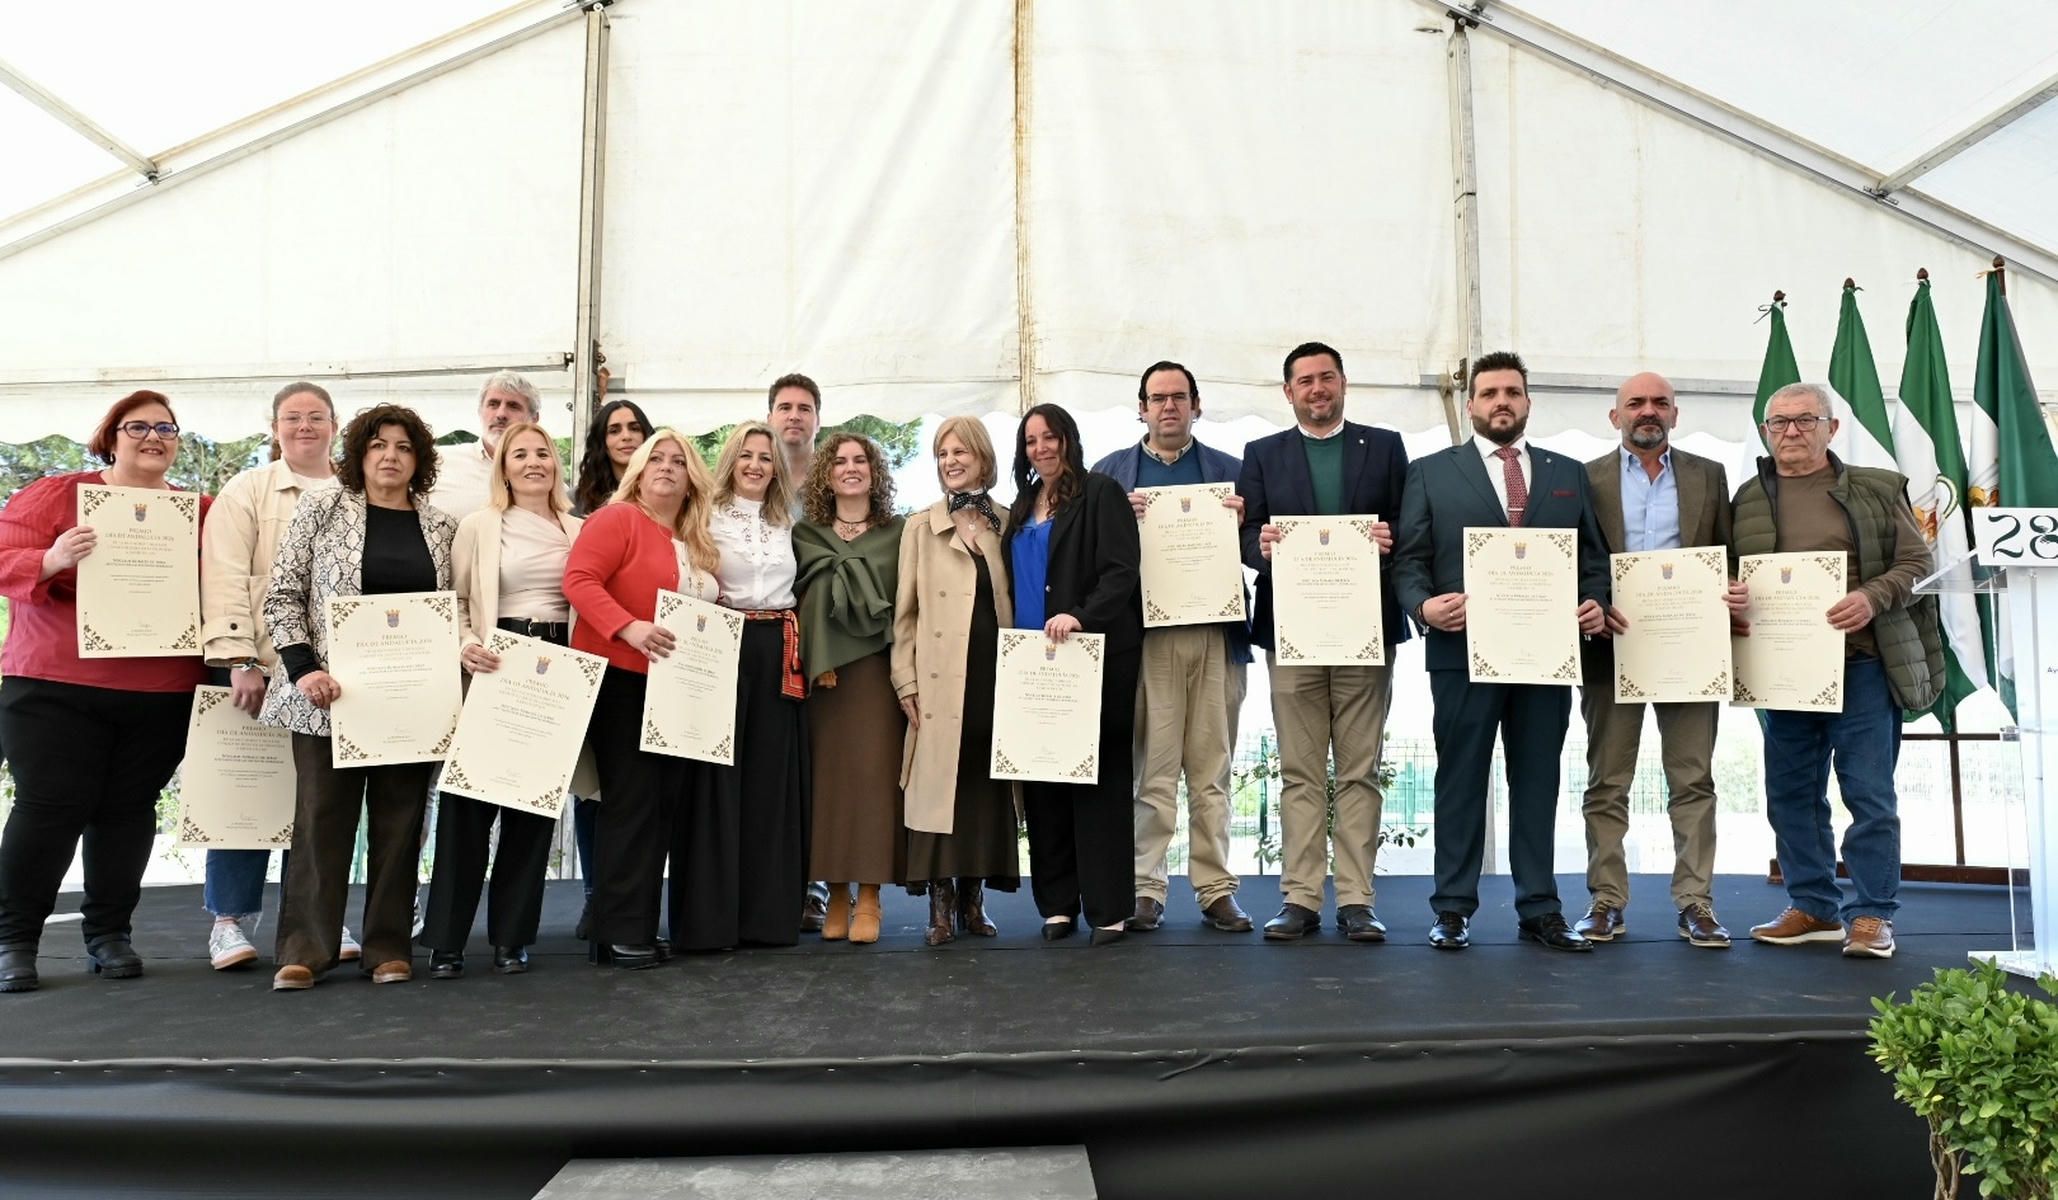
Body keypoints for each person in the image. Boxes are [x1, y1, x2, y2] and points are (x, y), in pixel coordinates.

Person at [1393, 350, 1612, 953]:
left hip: (1546, 657)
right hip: (1462, 654)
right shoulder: (1432, 472)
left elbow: (1593, 560)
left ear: (1528, 403)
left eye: (1512, 392)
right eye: (1489, 393)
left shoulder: (1568, 472)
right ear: (1470, 405)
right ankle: (1453, 908)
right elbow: (1408, 560)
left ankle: (1540, 908)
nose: (1501, 403)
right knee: (1460, 779)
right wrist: (1424, 607)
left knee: (1538, 782)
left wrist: (1594, 602)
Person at [0, 391, 211, 994]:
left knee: (127, 812)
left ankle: (110, 934)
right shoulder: (55, 495)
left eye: (166, 427)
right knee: (48, 809)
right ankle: (14, 940)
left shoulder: (201, 511)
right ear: (110, 437)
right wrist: (50, 558)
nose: (153, 437)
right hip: (53, 685)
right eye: (137, 426)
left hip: (159, 687)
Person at [1736, 382, 1941, 959]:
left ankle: (1873, 914)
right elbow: (1733, 570)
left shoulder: (1877, 488)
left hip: (1865, 667)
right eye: (1779, 423)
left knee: (1869, 794)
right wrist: (1730, 594)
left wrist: (1872, 598)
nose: (1791, 432)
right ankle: (1814, 907)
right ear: (1765, 433)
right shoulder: (1748, 497)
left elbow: (1916, 562)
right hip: (1784, 672)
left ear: (1832, 428)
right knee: (1790, 794)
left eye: (1805, 420)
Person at [263, 404, 458, 989]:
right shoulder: (320, 508)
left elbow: (449, 613)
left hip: (407, 701)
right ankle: (305, 951)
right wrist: (303, 669)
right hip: (326, 697)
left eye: (403, 447)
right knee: (321, 821)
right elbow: (284, 592)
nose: (390, 456)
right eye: (378, 445)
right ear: (359, 455)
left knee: (401, 825)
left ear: (419, 459)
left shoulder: (442, 526)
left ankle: (388, 948)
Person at [1238, 342, 1410, 942]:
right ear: (1289, 392)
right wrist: (1257, 546)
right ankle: (1301, 898)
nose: (1317, 389)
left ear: (1343, 383)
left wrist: (1389, 540)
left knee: (1361, 770)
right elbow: (1246, 535)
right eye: (1305, 381)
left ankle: (1357, 900)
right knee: (1300, 771)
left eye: (1327, 378)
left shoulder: (1385, 447)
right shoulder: (1261, 454)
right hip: (1292, 634)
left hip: (1366, 630)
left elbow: (1407, 529)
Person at [1575, 372, 1740, 949]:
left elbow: (1727, 554)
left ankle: (1696, 902)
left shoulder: (1709, 476)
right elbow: (1577, 559)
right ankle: (1606, 901)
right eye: (1636, 403)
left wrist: (1735, 591)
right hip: (1608, 647)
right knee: (1607, 782)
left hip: (1689, 648)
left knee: (1693, 779)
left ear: (1676, 413)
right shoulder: (1585, 478)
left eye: (1660, 403)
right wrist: (1592, 603)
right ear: (1615, 415)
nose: (1649, 411)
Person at [197, 382, 355, 970]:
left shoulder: (356, 491)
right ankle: (228, 923)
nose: (305, 427)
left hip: (331, 678)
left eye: (316, 417)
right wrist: (239, 658)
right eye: (293, 418)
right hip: (260, 669)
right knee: (246, 796)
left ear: (335, 425)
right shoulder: (248, 490)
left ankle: (319, 922)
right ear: (275, 427)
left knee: (320, 806)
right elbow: (224, 575)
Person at [1093, 361, 1255, 934]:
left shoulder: (1234, 474)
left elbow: (1265, 552)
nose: (1168, 407)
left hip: (1217, 634)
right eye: (1157, 398)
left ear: (1196, 405)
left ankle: (1215, 888)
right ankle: (1145, 886)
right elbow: (1093, 559)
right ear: (1141, 408)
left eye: (1179, 397)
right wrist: (1121, 524)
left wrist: (1246, 526)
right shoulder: (1111, 474)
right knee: (1154, 771)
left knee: (1211, 769)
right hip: (1148, 637)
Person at [419, 424, 583, 978]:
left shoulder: (578, 529)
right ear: (503, 466)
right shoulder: (480, 525)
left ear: (556, 465)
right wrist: (466, 644)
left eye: (543, 453)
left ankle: (513, 939)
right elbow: (456, 600)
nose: (533, 462)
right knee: (468, 809)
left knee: (533, 810)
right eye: (520, 454)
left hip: (558, 666)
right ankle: (446, 941)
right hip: (495, 664)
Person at [562, 430, 722, 969]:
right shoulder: (616, 518)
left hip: (680, 689)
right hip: (623, 680)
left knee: (661, 809)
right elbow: (579, 581)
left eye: (680, 461)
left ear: (692, 477)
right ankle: (617, 930)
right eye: (657, 458)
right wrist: (628, 628)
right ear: (637, 469)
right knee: (630, 804)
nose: (668, 468)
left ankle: (634, 923)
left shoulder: (697, 540)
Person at [1006, 404, 1143, 947]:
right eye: (1031, 440)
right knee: (1043, 787)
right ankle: (1057, 903)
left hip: (1089, 659)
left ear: (1068, 439)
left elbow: (1121, 572)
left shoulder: (1101, 493)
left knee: (1097, 782)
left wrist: (1080, 615)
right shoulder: (1021, 507)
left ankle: (1108, 908)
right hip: (1031, 666)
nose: (1041, 448)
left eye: (1050, 437)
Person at [675, 421, 810, 950]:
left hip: (778, 647)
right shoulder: (702, 517)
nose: (756, 465)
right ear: (730, 460)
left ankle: (767, 920)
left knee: (768, 783)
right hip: (720, 642)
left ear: (778, 465)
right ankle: (710, 923)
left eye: (766, 457)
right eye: (747, 455)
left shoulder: (790, 520)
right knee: (714, 781)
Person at [892, 417, 1022, 945]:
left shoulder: (1009, 523)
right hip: (940, 676)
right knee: (939, 783)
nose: (951, 461)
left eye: (961, 451)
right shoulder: (920, 526)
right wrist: (905, 680)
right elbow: (904, 613)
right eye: (942, 453)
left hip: (996, 674)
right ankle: (940, 907)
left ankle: (974, 899)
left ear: (983, 458)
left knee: (984, 786)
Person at [793, 433, 907, 943]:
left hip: (879, 677)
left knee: (876, 785)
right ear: (826, 473)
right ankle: (835, 893)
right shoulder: (805, 534)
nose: (851, 467)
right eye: (839, 461)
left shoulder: (900, 532)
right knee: (829, 788)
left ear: (875, 471)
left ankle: (871, 897)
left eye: (861, 460)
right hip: (823, 679)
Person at [567, 397, 653, 936]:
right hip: (593, 657)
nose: (625, 437)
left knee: (636, 789)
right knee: (593, 786)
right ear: (602, 442)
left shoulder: (672, 504)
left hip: (655, 665)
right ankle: (597, 894)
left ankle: (624, 901)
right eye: (614, 430)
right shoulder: (580, 511)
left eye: (634, 428)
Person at [766, 372, 834, 933]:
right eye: (785, 406)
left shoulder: (831, 483)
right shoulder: (750, 477)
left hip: (823, 635)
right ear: (770, 416)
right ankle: (769, 880)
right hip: (765, 639)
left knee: (817, 761)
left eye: (804, 407)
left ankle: (813, 888)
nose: (794, 416)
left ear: (818, 418)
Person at [426, 371, 544, 519]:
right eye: (493, 404)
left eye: (513, 406)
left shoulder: (547, 480)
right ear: (479, 411)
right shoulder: (438, 462)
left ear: (534, 419)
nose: (501, 414)